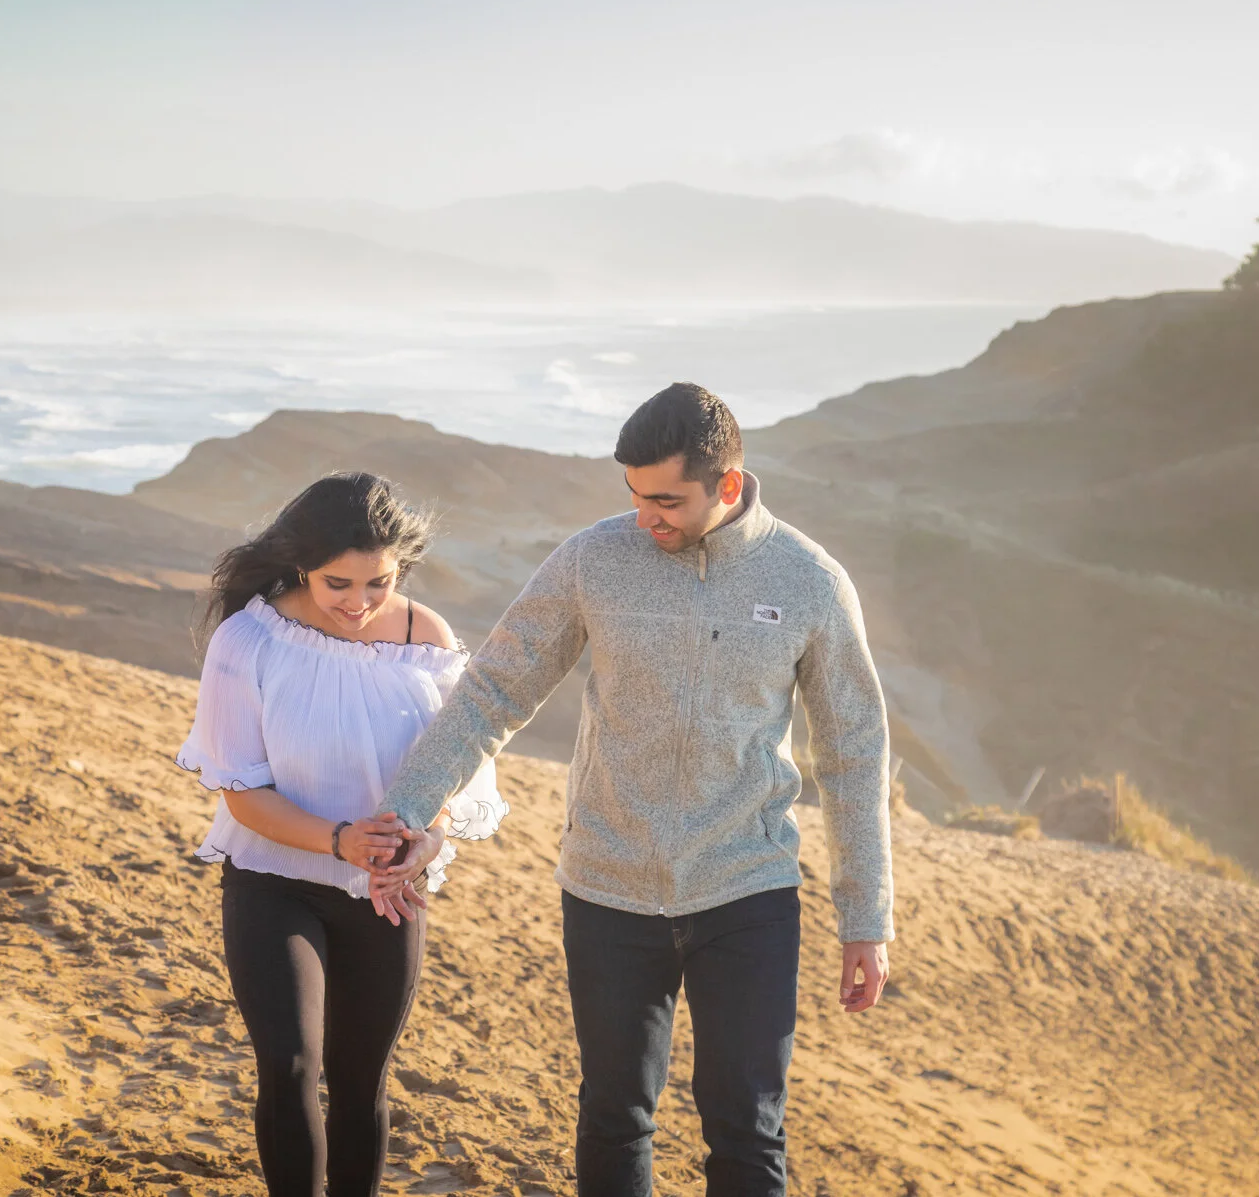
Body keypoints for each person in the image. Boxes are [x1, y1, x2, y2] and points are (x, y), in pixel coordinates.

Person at [368, 383, 893, 1197]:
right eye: (635, 495)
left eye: (666, 501)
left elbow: (853, 753)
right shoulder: (594, 559)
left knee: (748, 1127)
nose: (645, 517)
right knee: (615, 1115)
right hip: (607, 887)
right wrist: (406, 808)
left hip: (746, 890)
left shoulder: (809, 580)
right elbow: (493, 690)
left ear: (727, 483)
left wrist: (866, 919)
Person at [173, 472, 507, 1197]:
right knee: (290, 1065)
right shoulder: (248, 640)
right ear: (302, 564)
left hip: (383, 892)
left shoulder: (428, 639)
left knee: (361, 1081)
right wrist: (338, 839)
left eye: (379, 582)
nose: (358, 602)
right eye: (338, 583)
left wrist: (429, 841)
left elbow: (453, 771)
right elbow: (240, 793)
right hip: (273, 885)